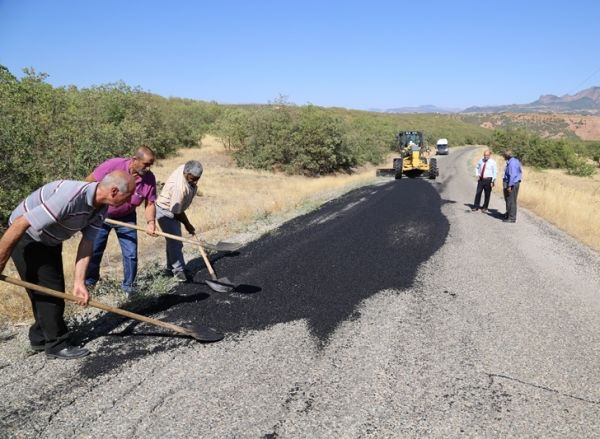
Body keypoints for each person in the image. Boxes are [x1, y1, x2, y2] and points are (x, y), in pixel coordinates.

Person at [0, 171, 135, 359]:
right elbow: (20, 224)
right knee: (50, 292)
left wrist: (79, 282)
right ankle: (56, 344)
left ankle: (39, 338)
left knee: (49, 290)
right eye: (127, 196)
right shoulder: (70, 197)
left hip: (50, 240)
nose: (129, 201)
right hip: (27, 237)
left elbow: (87, 243)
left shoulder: (101, 208)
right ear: (114, 191)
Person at [84, 146, 158, 296]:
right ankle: (89, 285)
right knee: (94, 251)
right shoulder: (114, 165)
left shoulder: (149, 179)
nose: (148, 168)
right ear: (135, 160)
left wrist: (151, 223)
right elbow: (89, 182)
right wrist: (89, 208)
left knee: (130, 253)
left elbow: (150, 203)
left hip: (127, 218)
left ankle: (129, 288)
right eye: (146, 164)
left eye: (151, 164)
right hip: (101, 216)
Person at [155, 161, 203, 281]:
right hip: (165, 211)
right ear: (186, 173)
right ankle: (179, 271)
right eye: (192, 178)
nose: (195, 181)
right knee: (176, 242)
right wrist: (188, 224)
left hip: (174, 209)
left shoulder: (184, 168)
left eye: (197, 179)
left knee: (172, 241)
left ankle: (170, 269)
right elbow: (177, 212)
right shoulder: (179, 189)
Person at [502, 150, 523, 223]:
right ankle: (508, 214)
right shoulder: (514, 161)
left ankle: (512, 218)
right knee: (509, 200)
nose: (503, 157)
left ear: (507, 156)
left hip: (512, 184)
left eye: (504, 155)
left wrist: (510, 185)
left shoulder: (512, 163)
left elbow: (513, 175)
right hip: (513, 182)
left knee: (511, 201)